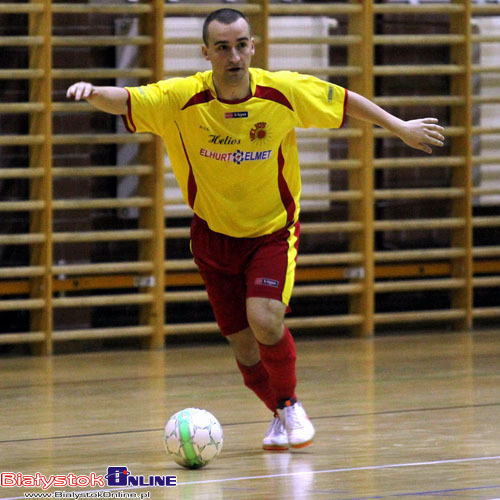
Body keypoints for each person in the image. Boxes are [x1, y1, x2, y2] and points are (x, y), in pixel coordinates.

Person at [66, 8, 444, 451]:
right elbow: (129, 99)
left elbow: (342, 99)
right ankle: (281, 410)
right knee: (244, 349)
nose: (234, 56)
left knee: (265, 319)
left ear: (253, 46)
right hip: (213, 235)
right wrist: (93, 92)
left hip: (272, 231)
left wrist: (399, 127)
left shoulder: (281, 91)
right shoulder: (181, 99)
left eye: (241, 44)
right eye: (223, 47)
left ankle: (289, 406)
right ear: (206, 53)